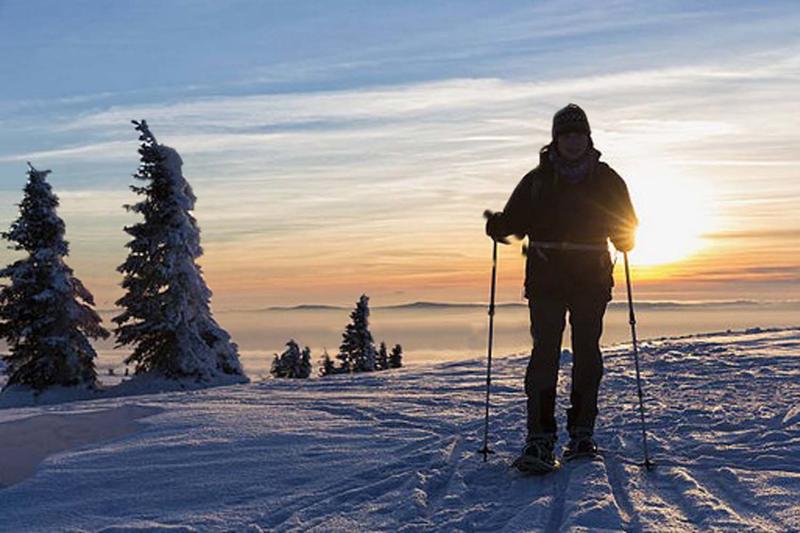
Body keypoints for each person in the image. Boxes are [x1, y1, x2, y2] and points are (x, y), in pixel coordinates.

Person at [485, 103, 638, 472]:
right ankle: (542, 438)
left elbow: (627, 227)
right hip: (548, 281)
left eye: (578, 134)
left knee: (585, 354)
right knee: (546, 356)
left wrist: (624, 237)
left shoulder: (605, 179)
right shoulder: (538, 180)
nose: (572, 141)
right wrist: (500, 226)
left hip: (587, 281)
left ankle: (579, 433)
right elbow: (516, 222)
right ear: (556, 139)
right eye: (566, 134)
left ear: (588, 137)